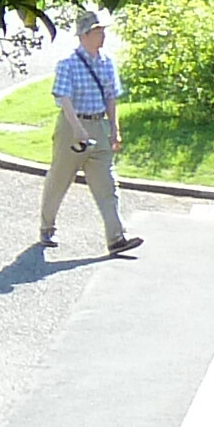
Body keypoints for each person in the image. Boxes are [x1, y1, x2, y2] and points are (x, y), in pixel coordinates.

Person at [40, 13, 142, 257]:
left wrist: (114, 129)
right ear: (84, 35)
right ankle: (47, 227)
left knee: (108, 185)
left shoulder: (107, 62)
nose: (103, 35)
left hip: (98, 125)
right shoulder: (68, 63)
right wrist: (78, 130)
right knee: (59, 180)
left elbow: (110, 97)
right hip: (72, 128)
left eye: (102, 31)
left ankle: (116, 238)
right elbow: (64, 99)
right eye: (97, 31)